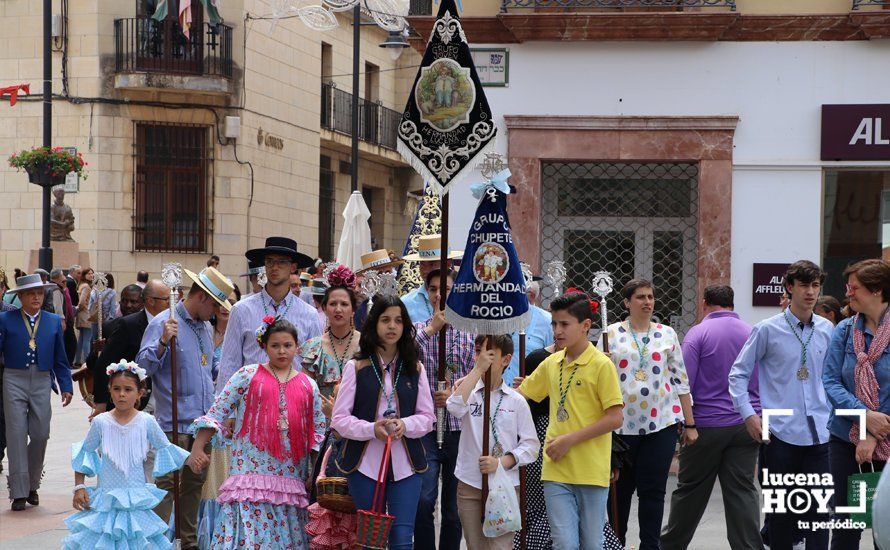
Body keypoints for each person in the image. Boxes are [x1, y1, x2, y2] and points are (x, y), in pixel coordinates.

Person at [186, 317, 326, 548]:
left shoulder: (308, 385)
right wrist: (197, 447)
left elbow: (318, 433)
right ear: (264, 346)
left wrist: (315, 472)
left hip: (291, 476)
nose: (282, 351)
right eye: (275, 345)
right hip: (249, 472)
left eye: (287, 345)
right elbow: (218, 411)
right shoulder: (247, 375)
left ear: (297, 347)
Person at [729, 260, 833, 550]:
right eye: (804, 285)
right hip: (780, 435)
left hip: (820, 435)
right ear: (789, 287)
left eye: (815, 285)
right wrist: (749, 415)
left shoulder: (827, 329)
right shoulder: (767, 330)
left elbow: (833, 379)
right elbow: (738, 374)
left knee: (819, 514)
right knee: (780, 515)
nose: (810, 292)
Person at [136, 266, 234, 549]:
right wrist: (163, 342)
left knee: (193, 490)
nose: (217, 312)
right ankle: (154, 543)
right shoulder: (165, 321)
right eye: (215, 304)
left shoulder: (204, 327)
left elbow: (207, 369)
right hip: (172, 425)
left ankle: (188, 544)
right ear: (203, 297)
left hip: (202, 427)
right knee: (166, 490)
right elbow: (141, 369)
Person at [517, 291, 624, 549]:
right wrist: (479, 381)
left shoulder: (601, 365)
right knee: (564, 543)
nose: (557, 330)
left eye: (564, 324)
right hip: (556, 469)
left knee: (592, 543)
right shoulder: (551, 363)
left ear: (585, 325)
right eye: (554, 323)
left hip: (591, 469)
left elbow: (615, 418)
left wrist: (569, 440)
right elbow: (518, 398)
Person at [660, 285, 763, 550]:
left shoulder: (698, 334)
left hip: (705, 426)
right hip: (745, 424)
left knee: (690, 491)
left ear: (704, 303)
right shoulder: (751, 333)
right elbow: (762, 379)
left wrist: (686, 424)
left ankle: (670, 546)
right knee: (742, 491)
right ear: (732, 303)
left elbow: (684, 384)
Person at [331, 295, 436, 549]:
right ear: (374, 324)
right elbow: (339, 420)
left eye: (398, 321)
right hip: (364, 465)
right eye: (385, 320)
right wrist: (371, 430)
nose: (392, 326)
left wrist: (406, 425)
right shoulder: (356, 367)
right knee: (371, 541)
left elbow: (428, 418)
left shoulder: (416, 368)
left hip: (406, 465)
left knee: (402, 540)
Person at [603, 278, 695, 550]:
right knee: (619, 493)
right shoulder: (611, 333)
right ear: (627, 302)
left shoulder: (667, 334)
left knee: (653, 492)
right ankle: (616, 545)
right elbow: (597, 378)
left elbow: (681, 380)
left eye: (650, 297)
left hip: (661, 424)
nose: (647, 302)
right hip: (621, 428)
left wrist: (690, 423)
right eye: (640, 297)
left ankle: (650, 546)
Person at [63, 361, 189, 549]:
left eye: (128, 389)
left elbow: (167, 448)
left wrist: (193, 457)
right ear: (109, 391)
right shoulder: (100, 423)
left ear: (140, 393)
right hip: (106, 501)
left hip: (136, 502)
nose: (122, 394)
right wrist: (79, 487)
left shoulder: (147, 422)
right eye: (117, 389)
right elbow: (85, 453)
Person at [447, 334, 539, 550]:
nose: (482, 358)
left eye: (489, 353)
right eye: (478, 352)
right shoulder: (469, 391)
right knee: (475, 545)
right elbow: (454, 406)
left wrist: (503, 462)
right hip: (470, 484)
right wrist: (477, 371)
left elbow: (531, 446)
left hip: (505, 485)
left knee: (500, 546)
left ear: (505, 360)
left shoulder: (516, 400)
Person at [823, 259, 890, 550]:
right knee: (845, 526)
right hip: (844, 439)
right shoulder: (844, 331)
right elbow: (830, 382)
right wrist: (864, 418)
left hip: (886, 439)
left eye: (854, 288)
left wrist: (873, 431)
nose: (847, 294)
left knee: (885, 529)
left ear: (876, 291)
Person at [0, 273, 74, 510]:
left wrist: (66, 385)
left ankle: (33, 483)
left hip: (42, 379)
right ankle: (19, 492)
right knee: (16, 434)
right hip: (13, 378)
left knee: (41, 433)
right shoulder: (5, 319)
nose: (36, 297)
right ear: (20, 297)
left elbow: (60, 357)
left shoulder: (52, 321)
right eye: (31, 293)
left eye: (40, 293)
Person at [414, 268, 476, 550]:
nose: (440, 294)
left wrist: (455, 394)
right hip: (426, 428)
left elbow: (479, 377)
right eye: (434, 289)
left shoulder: (470, 333)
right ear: (428, 293)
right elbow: (403, 355)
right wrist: (432, 330)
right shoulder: (418, 329)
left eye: (447, 289)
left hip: (458, 428)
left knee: (454, 507)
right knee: (424, 499)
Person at [216, 237, 321, 393]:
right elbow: (229, 364)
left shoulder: (309, 314)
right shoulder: (241, 310)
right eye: (269, 261)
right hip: (251, 402)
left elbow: (314, 367)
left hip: (293, 403)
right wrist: (225, 412)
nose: (274, 267)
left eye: (281, 262)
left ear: (293, 267)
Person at [91, 280, 168, 418]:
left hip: (163, 402)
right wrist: (101, 402)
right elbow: (104, 363)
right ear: (150, 301)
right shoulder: (128, 325)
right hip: (135, 402)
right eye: (166, 299)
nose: (170, 303)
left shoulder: (170, 325)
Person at [302, 265, 361, 399]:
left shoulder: (367, 344)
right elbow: (305, 392)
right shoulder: (314, 348)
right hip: (320, 417)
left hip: (358, 418)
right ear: (324, 308)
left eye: (344, 304)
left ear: (353, 310)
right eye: (333, 304)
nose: (338, 309)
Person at [401, 234, 462, 324]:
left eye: (432, 264)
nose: (425, 270)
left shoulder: (463, 300)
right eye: (422, 264)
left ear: (448, 264)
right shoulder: (406, 303)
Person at [506, 276, 553, 386]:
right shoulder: (496, 316)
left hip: (531, 394)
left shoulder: (547, 321)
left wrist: (532, 382)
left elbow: (554, 360)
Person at [51, 268, 78, 363]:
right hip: (59, 322)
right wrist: (62, 320)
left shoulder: (59, 288)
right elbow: (57, 307)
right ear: (57, 277)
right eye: (62, 275)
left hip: (63, 321)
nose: (64, 278)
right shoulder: (56, 289)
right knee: (69, 343)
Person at [74, 268, 94, 367]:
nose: (91, 275)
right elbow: (82, 302)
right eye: (89, 273)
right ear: (84, 275)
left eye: (92, 273)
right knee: (87, 339)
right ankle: (87, 361)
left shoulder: (82, 285)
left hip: (82, 315)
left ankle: (78, 360)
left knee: (82, 339)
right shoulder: (86, 286)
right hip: (86, 315)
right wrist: (86, 309)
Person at [89, 272, 118, 338]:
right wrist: (110, 320)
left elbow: (90, 306)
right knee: (105, 341)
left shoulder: (94, 291)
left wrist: (92, 314)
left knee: (94, 339)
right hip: (106, 320)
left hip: (95, 319)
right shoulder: (112, 292)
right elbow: (113, 309)